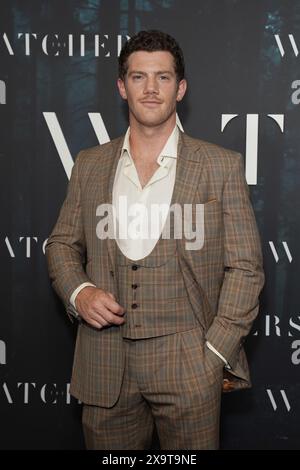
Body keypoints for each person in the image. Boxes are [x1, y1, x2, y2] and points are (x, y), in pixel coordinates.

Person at [45, 30, 264, 450]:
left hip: (188, 360)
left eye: (162, 77)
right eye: (139, 76)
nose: (150, 89)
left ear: (180, 88)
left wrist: (214, 353)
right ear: (121, 86)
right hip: (103, 361)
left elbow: (246, 269)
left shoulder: (219, 166)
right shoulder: (89, 165)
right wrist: (80, 292)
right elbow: (60, 245)